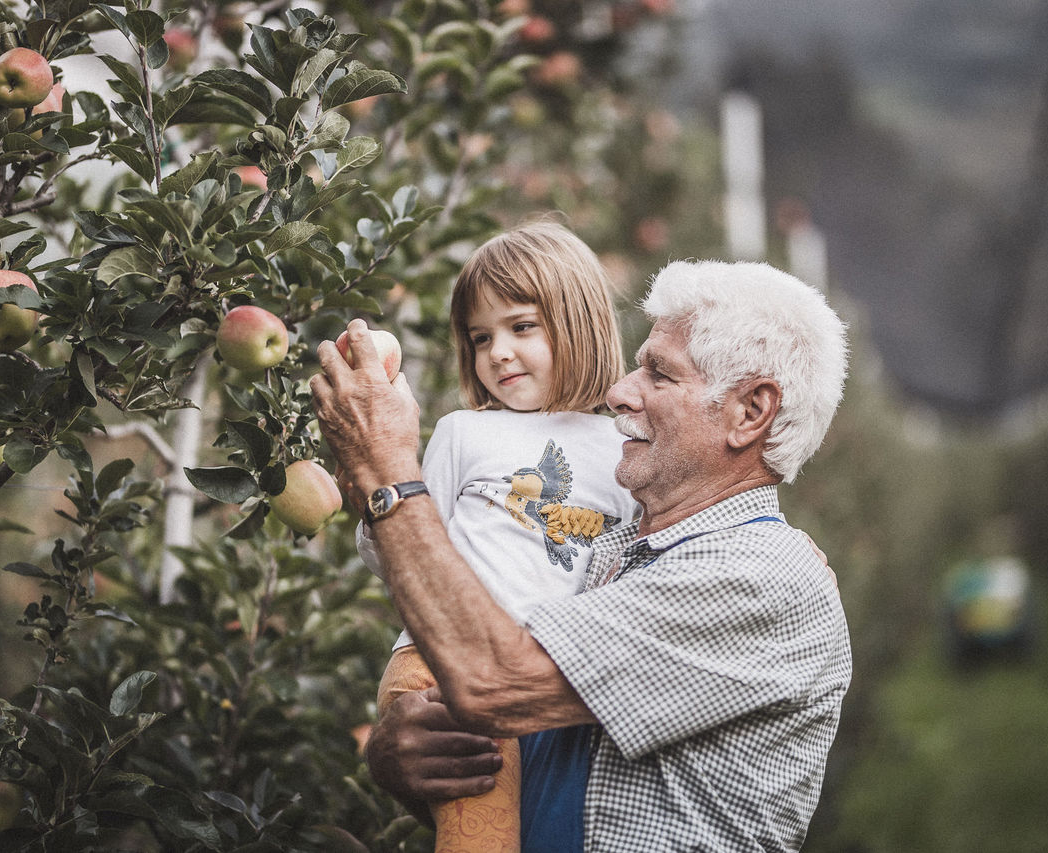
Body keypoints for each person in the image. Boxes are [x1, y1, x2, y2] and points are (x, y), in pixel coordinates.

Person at [311, 258, 851, 851]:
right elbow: (517, 780)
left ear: (750, 412)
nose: (619, 390)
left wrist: (386, 468)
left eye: (659, 375)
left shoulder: (761, 576)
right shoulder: (608, 555)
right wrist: (407, 763)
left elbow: (492, 681)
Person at [352, 222, 640, 852]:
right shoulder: (465, 433)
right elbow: (395, 547)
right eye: (480, 338)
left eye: (521, 327)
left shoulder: (627, 450)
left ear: (580, 321)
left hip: (537, 683)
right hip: (442, 668)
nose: (498, 353)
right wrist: (373, 487)